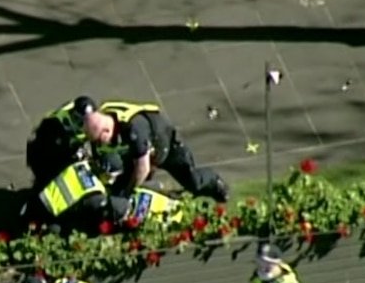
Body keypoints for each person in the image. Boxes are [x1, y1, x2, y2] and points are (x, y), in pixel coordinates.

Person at [83, 101, 230, 202]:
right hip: (140, 149)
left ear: (107, 130)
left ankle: (215, 183)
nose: (98, 144)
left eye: (99, 140)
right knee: (119, 187)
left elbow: (143, 167)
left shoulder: (134, 128)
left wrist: (129, 191)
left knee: (193, 182)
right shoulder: (105, 118)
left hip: (165, 146)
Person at [19, 155, 137, 235]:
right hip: (51, 215)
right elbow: (90, 218)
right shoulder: (96, 193)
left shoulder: (81, 165)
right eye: (113, 176)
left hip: (39, 199)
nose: (114, 180)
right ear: (105, 172)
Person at [26, 96, 97, 188]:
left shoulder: (86, 124)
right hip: (46, 156)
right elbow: (49, 149)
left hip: (63, 149)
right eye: (83, 120)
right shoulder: (56, 124)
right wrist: (74, 155)